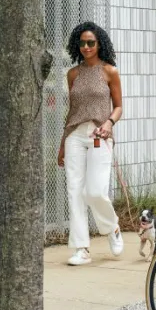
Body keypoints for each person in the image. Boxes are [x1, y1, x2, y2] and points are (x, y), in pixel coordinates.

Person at [56, 21, 124, 266]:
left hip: (99, 135)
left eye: (91, 42)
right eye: (82, 43)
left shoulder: (109, 72)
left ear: (99, 44)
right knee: (74, 191)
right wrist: (63, 143)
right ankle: (81, 248)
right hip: (75, 135)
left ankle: (112, 228)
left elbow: (118, 106)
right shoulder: (72, 74)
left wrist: (109, 124)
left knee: (94, 192)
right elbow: (72, 110)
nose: (86, 47)